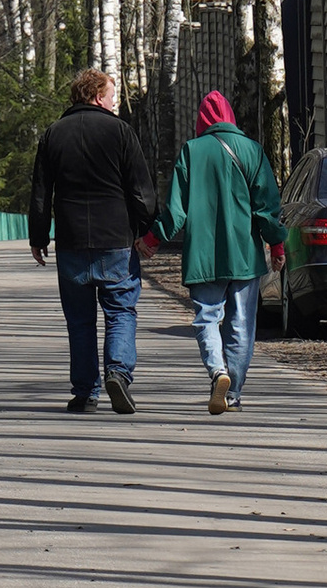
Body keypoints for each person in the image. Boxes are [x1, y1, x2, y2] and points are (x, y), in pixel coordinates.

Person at [27, 64, 156, 412]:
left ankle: (85, 393)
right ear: (99, 96)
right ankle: (118, 373)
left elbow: (41, 194)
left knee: (80, 319)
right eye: (113, 97)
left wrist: (38, 237)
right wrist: (147, 230)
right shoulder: (121, 132)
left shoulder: (53, 134)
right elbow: (142, 192)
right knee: (120, 310)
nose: (116, 103)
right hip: (115, 238)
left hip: (71, 241)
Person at [160, 90, 284, 413]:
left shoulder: (191, 151)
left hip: (204, 256)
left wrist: (151, 239)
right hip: (244, 255)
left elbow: (176, 213)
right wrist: (278, 244)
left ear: (201, 120)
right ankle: (233, 393)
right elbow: (268, 208)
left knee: (207, 319)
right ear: (230, 116)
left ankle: (218, 371)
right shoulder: (253, 150)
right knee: (242, 324)